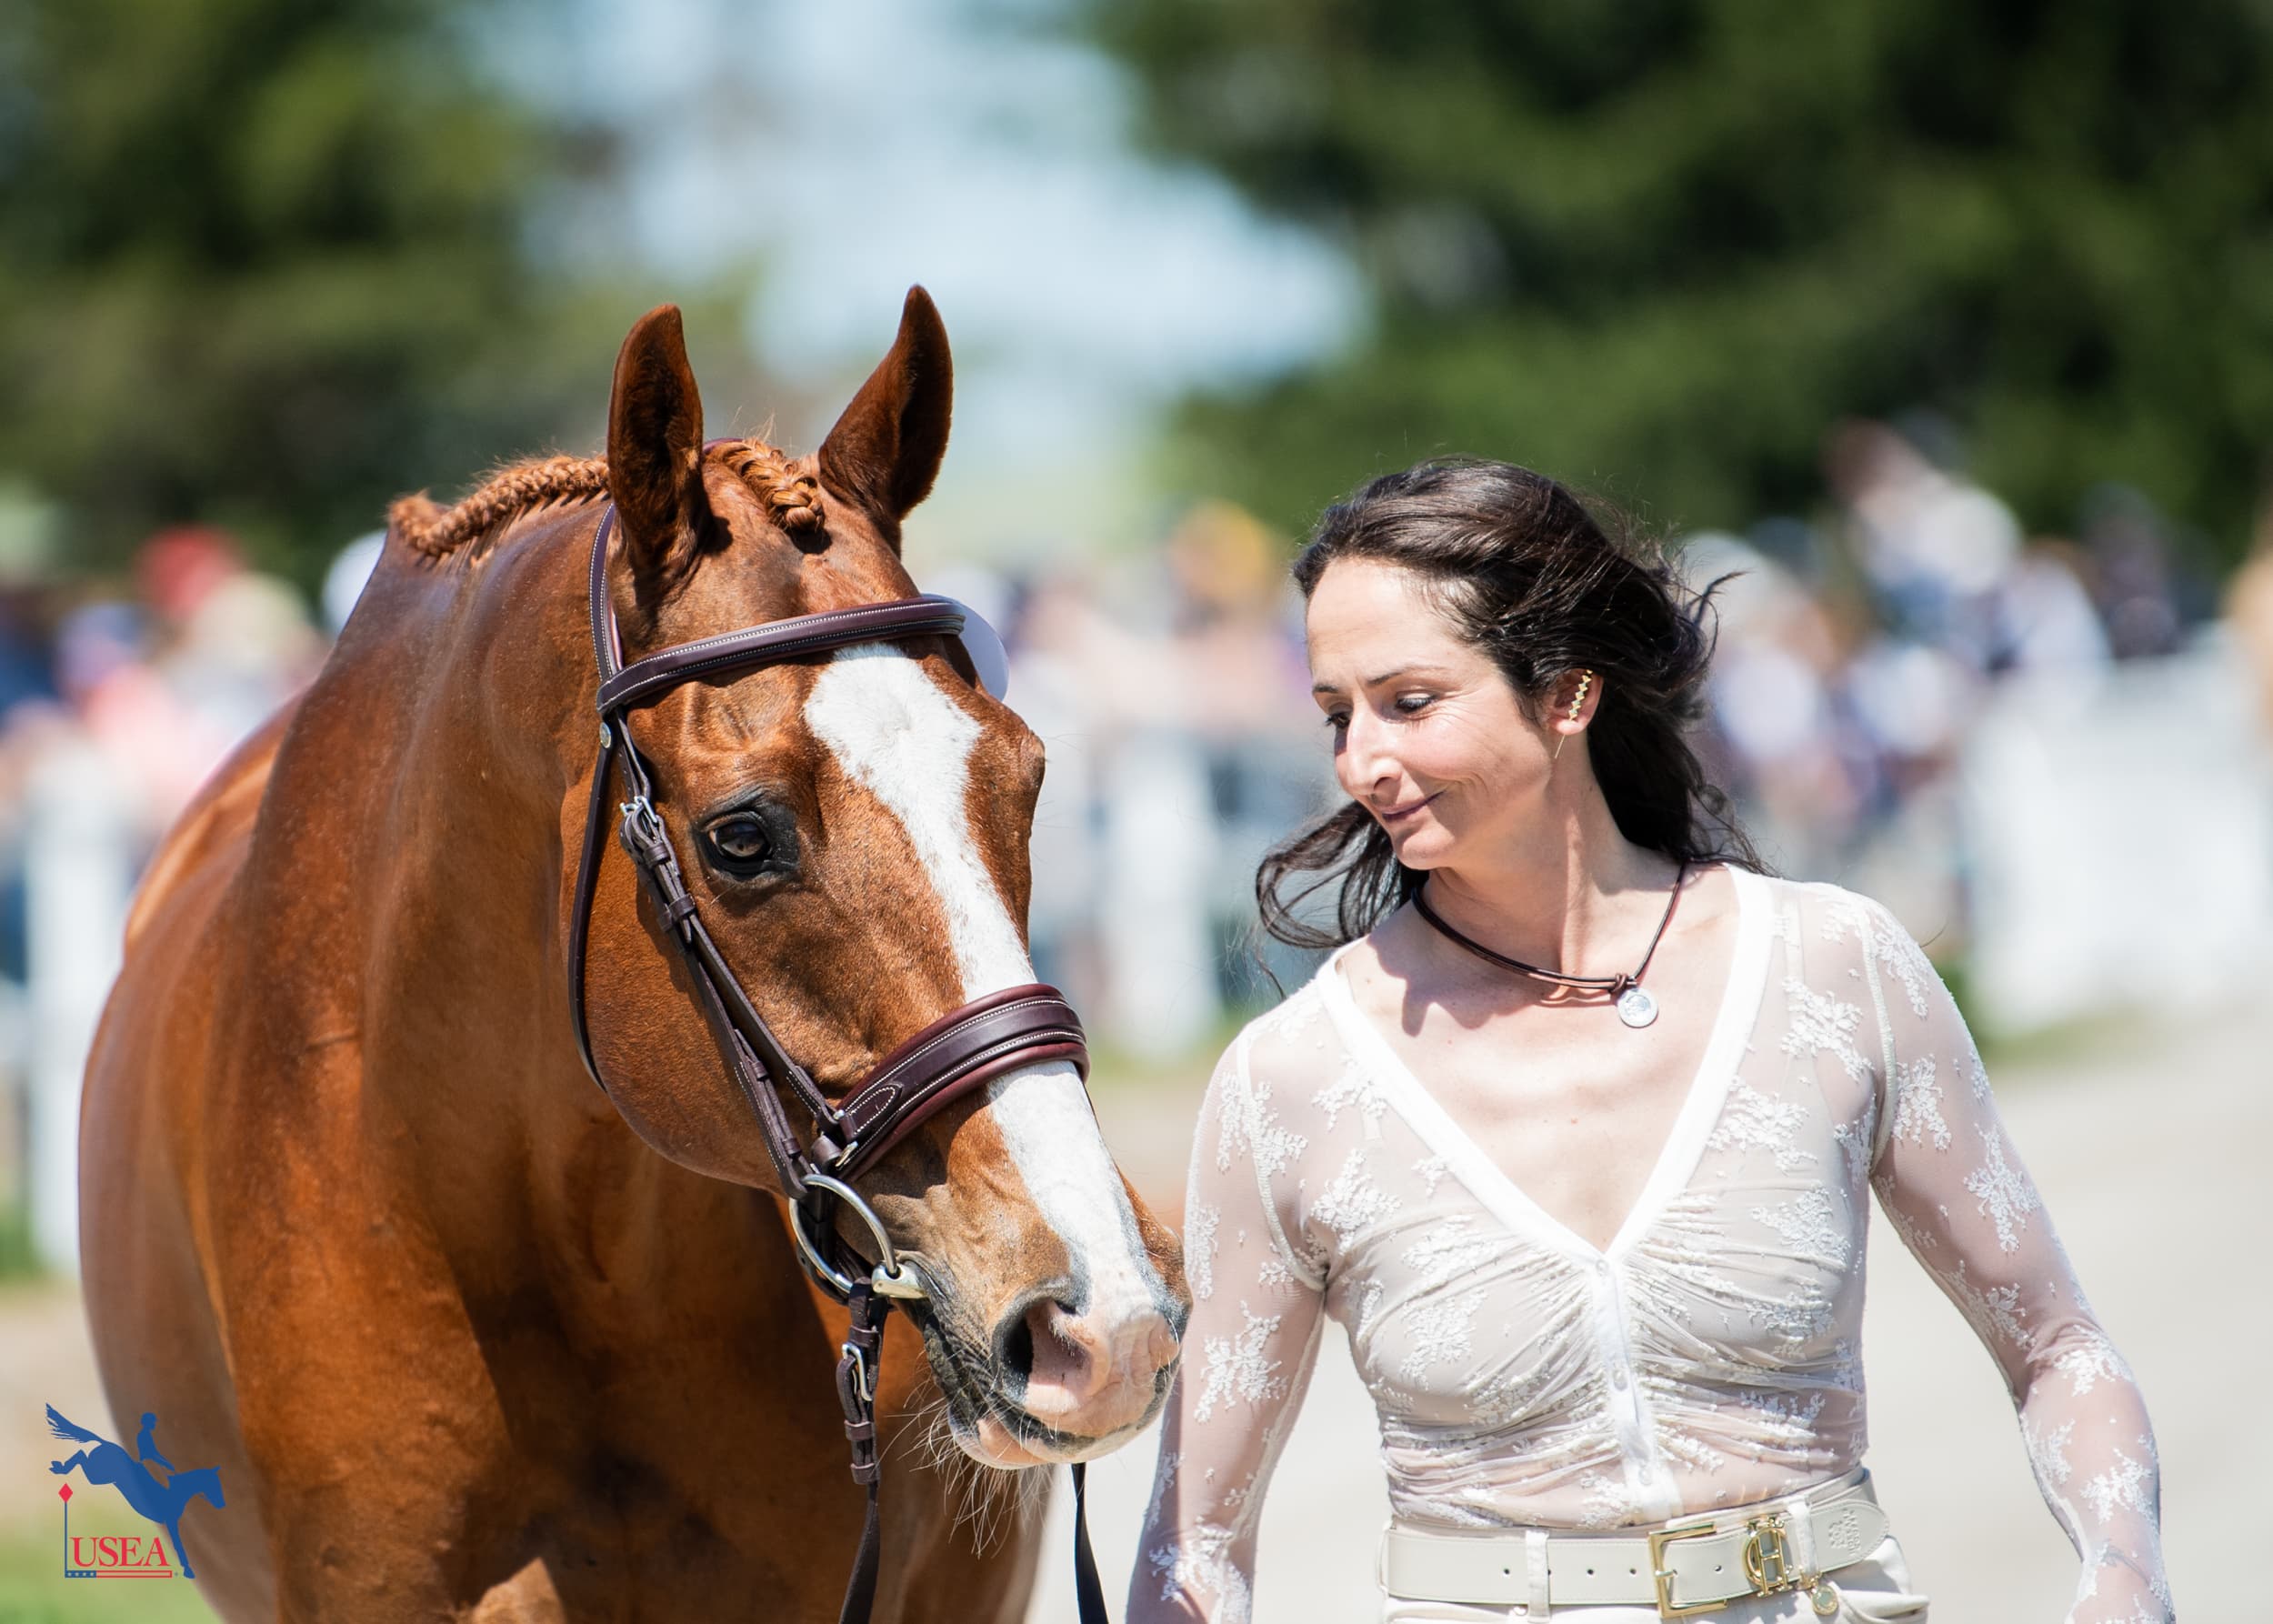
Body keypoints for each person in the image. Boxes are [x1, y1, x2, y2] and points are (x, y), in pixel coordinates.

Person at [1126, 461, 2169, 1623]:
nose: (1360, 760)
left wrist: (2121, 1577)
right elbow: (1192, 1547)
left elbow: (2060, 1347)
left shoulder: (1835, 968)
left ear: (1568, 695)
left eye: (1408, 701)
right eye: (1336, 713)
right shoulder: (1293, 1078)